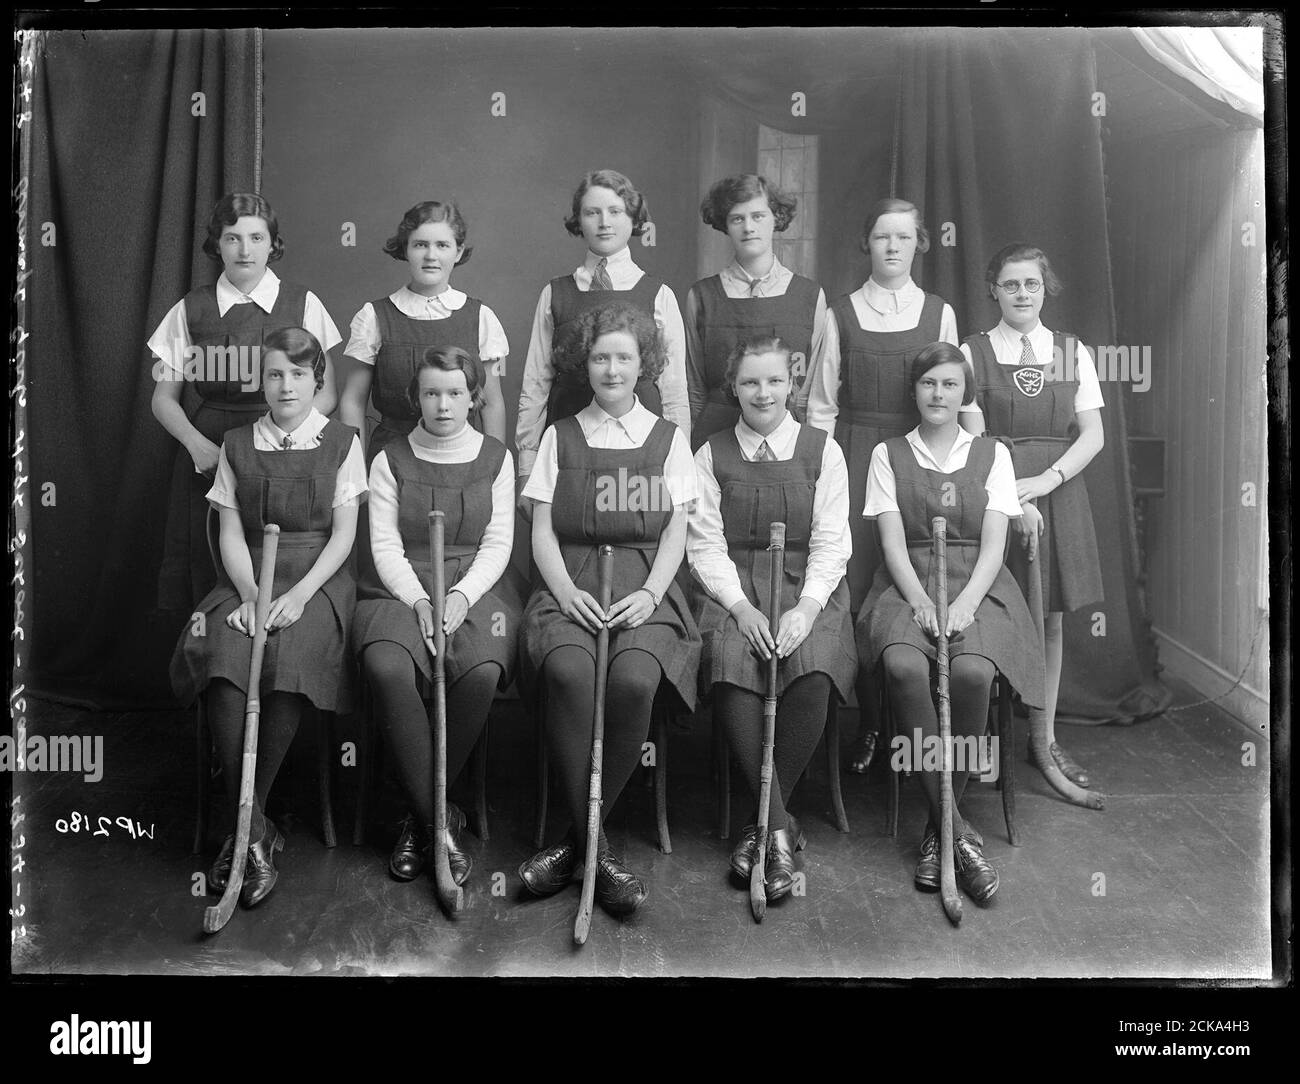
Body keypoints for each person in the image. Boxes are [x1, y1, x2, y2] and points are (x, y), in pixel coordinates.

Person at [517, 301, 700, 917]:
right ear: (583, 365)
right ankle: (597, 850)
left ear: (643, 364)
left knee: (632, 680)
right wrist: (564, 592)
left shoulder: (669, 439)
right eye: (600, 357)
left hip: (647, 585)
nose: (612, 369)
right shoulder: (558, 436)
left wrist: (651, 593)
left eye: (624, 357)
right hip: (569, 581)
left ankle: (574, 845)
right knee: (568, 672)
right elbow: (541, 528)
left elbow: (677, 530)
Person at [171, 327, 365, 908]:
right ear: (261, 379)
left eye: (298, 375)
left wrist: (301, 595)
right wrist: (252, 596)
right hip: (247, 576)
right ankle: (253, 831)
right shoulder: (235, 441)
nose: (285, 386)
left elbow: (345, 534)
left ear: (317, 381)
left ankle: (241, 830)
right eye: (275, 374)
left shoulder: (343, 441)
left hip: (317, 580)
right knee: (228, 655)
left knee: (293, 655)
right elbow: (230, 533)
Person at [857, 342, 1043, 903]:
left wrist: (964, 604)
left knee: (971, 675)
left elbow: (994, 545)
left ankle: (940, 830)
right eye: (929, 384)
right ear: (914, 391)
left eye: (950, 385)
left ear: (966, 394)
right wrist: (918, 601)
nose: (939, 394)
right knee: (904, 665)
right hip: (907, 582)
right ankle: (958, 833)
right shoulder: (888, 453)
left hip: (979, 586)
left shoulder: (993, 454)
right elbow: (890, 542)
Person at [687, 336, 855, 900]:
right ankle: (778, 829)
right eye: (751, 382)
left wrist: (807, 608)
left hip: (808, 587)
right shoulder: (709, 454)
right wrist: (740, 606)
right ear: (733, 387)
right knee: (733, 663)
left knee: (813, 666)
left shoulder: (823, 450)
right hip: (733, 588)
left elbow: (833, 541)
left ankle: (761, 825)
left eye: (775, 381)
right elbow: (704, 546)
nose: (764, 392)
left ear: (793, 385)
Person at [800, 197, 959, 775]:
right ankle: (867, 722)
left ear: (919, 243)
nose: (892, 247)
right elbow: (821, 406)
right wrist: (818, 474)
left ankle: (910, 724)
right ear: (866, 244)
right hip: (856, 455)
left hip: (918, 458)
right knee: (859, 581)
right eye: (880, 237)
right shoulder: (838, 311)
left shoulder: (938, 311)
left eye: (903, 237)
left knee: (910, 577)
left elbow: (952, 391)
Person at [352, 347, 518, 891]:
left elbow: (497, 543)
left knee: (482, 669)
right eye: (431, 393)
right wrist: (420, 600)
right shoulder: (390, 458)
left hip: (476, 585)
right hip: (399, 586)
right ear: (415, 397)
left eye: (455, 393)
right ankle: (438, 822)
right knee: (388, 665)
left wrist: (463, 597)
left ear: (474, 396)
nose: (443, 405)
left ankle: (418, 817)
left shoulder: (496, 456)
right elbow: (384, 544)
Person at [150, 193, 341, 612]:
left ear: (273, 244)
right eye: (232, 238)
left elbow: (327, 394)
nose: (244, 249)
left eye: (256, 237)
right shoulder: (190, 309)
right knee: (205, 560)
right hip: (211, 449)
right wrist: (197, 446)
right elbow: (163, 399)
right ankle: (209, 663)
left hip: (288, 448)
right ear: (216, 244)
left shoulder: (303, 303)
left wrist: (287, 437)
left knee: (280, 553)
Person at [959, 243, 1105, 791]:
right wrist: (1014, 499)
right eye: (1011, 284)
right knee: (994, 614)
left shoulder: (1071, 351)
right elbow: (974, 439)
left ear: (1046, 289)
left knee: (1051, 617)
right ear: (993, 288)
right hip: (996, 494)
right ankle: (986, 741)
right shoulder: (972, 351)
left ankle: (1042, 739)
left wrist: (1046, 483)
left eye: (1032, 284)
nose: (1022, 294)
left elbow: (1092, 434)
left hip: (1060, 491)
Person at [514, 169, 690, 512]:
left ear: (633, 218)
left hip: (642, 445)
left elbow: (674, 392)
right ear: (579, 221)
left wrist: (681, 474)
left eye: (615, 211)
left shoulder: (659, 294)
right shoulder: (555, 293)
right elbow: (535, 384)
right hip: (567, 443)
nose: (604, 222)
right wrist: (527, 467)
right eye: (592, 212)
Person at [338, 200, 508, 460]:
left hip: (462, 459)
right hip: (390, 459)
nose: (431, 256)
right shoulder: (373, 317)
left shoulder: (481, 318)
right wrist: (356, 473)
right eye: (420, 244)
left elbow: (492, 403)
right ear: (406, 249)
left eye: (442, 245)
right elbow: (353, 401)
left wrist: (494, 467)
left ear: (458, 252)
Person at [684, 173, 828, 449]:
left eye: (758, 216)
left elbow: (810, 392)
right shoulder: (701, 297)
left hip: (788, 439)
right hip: (715, 438)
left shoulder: (810, 297)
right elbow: (693, 390)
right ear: (725, 225)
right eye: (737, 218)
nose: (748, 227)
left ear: (776, 218)